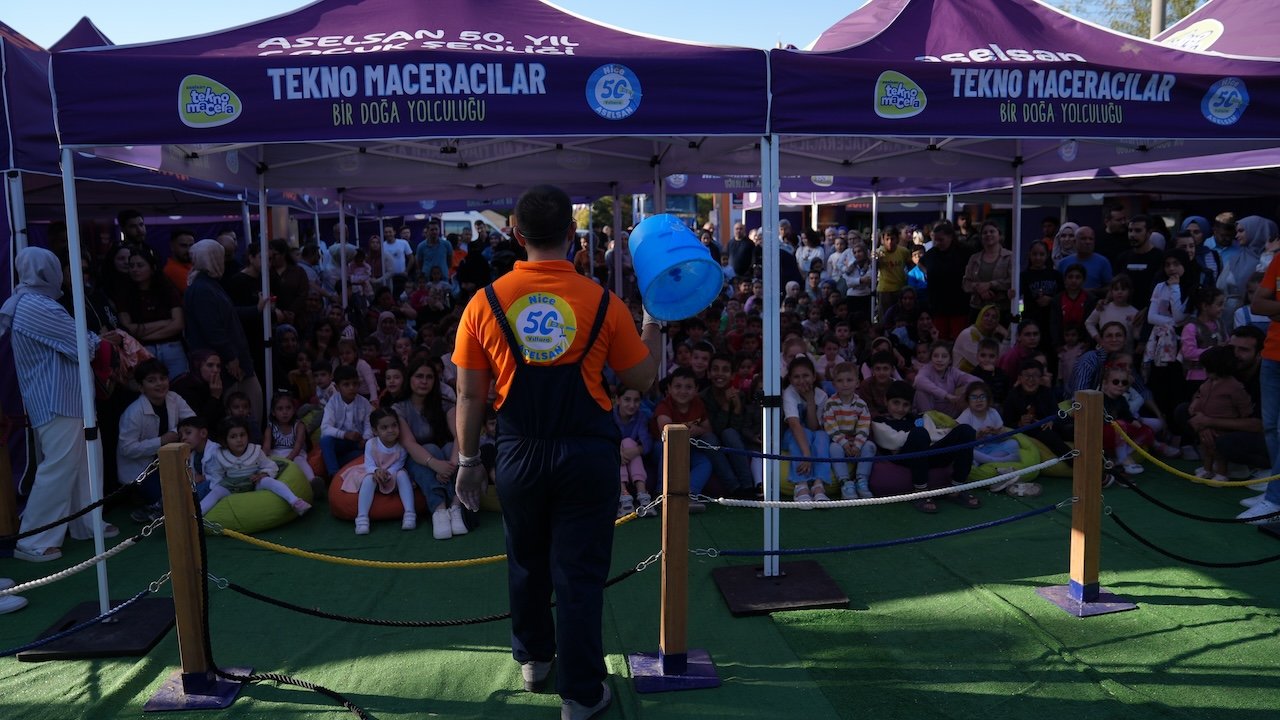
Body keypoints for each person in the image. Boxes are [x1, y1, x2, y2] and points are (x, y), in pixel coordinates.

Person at [452, 185, 656, 717]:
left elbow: (471, 395)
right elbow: (642, 378)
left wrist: (469, 463)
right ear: (572, 234)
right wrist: (652, 324)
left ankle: (535, 660)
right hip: (586, 455)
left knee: (525, 560)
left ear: (516, 235)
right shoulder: (603, 302)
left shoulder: (483, 302)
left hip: (518, 453)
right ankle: (583, 695)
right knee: (579, 575)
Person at [1, 248, 122, 561]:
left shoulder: (36, 303)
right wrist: (101, 341)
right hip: (55, 398)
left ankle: (86, 522)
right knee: (60, 466)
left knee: (85, 463)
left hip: (69, 396)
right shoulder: (35, 306)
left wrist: (95, 341)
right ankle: (34, 539)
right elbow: (83, 344)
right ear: (47, 272)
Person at [185, 239, 263, 430]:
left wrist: (255, 309)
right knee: (241, 409)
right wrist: (231, 356)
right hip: (225, 362)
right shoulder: (203, 288)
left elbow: (227, 316)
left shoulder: (207, 284)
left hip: (226, 358)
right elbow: (213, 328)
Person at [871, 380, 981, 514]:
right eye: (896, 403)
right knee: (919, 433)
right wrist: (921, 434)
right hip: (905, 458)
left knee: (966, 431)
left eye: (905, 405)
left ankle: (957, 487)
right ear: (885, 401)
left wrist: (936, 434)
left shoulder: (919, 417)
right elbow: (894, 442)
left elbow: (934, 436)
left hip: (928, 453)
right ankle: (921, 492)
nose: (900, 409)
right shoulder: (879, 422)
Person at [199, 417, 311, 516]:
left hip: (253, 483)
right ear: (225, 440)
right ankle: (195, 517)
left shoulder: (256, 451)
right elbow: (216, 474)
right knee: (216, 492)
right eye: (233, 436)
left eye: (242, 435)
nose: (239, 440)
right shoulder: (220, 455)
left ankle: (295, 501)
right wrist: (219, 485)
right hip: (231, 487)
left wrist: (263, 474)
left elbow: (270, 465)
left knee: (268, 481)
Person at [338, 407, 416, 535]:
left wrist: (387, 473)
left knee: (402, 474)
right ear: (375, 431)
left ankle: (410, 513)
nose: (390, 430)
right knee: (369, 478)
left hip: (392, 475)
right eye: (384, 428)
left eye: (394, 425)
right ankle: (362, 518)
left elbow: (398, 465)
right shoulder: (371, 444)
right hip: (372, 473)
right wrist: (376, 471)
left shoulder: (401, 446)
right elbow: (368, 464)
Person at [1188, 346, 1253, 483]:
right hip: (1206, 423)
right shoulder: (1208, 383)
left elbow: (1244, 404)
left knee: (1219, 451)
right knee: (1206, 449)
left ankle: (1222, 473)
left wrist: (1244, 415)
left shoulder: (1233, 386)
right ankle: (1207, 469)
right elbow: (1200, 396)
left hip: (1224, 426)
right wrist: (1195, 406)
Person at [823, 362, 875, 500]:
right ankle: (845, 482)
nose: (845, 384)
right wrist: (844, 443)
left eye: (849, 380)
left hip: (856, 441)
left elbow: (864, 426)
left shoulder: (861, 404)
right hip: (839, 441)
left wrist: (857, 444)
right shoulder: (830, 403)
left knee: (870, 446)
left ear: (857, 383)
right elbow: (830, 426)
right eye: (840, 380)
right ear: (834, 384)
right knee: (834, 448)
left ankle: (861, 481)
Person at [319, 365, 374, 477]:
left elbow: (369, 425)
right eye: (346, 384)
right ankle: (334, 475)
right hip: (340, 441)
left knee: (364, 454)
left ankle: (337, 465)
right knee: (325, 441)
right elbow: (325, 428)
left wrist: (365, 439)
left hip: (357, 444)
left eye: (355, 384)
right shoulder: (333, 403)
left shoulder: (364, 403)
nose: (351, 388)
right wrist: (345, 435)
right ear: (337, 387)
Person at [263, 392, 317, 495]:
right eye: (280, 409)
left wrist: (288, 460)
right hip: (276, 455)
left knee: (301, 462)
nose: (285, 412)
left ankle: (312, 482)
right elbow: (266, 448)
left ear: (294, 410)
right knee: (270, 464)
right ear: (273, 412)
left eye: (288, 408)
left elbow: (297, 447)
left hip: (295, 454)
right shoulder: (270, 427)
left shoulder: (299, 425)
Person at [613, 387, 652, 518]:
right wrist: (618, 452)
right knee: (622, 444)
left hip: (632, 457)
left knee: (629, 442)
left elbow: (646, 443)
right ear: (618, 400)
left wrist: (635, 450)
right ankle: (624, 495)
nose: (632, 405)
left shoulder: (641, 416)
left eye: (636, 400)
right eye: (627, 400)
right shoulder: (609, 416)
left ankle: (641, 494)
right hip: (613, 455)